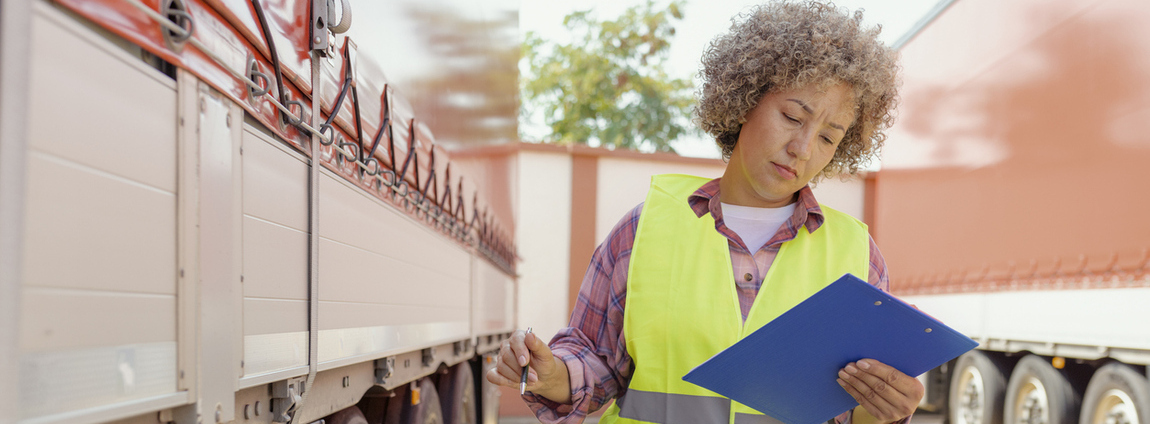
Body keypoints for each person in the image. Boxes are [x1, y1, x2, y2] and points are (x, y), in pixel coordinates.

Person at [487, 1, 918, 423]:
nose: (803, 149)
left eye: (828, 138)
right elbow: (594, 361)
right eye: (791, 116)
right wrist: (552, 375)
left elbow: (852, 408)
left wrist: (886, 410)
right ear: (745, 98)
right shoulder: (642, 231)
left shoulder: (858, 257)